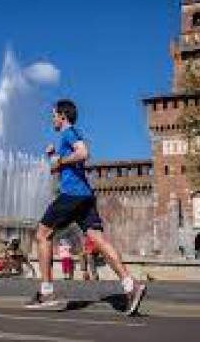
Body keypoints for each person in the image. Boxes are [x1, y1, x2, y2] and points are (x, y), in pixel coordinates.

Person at [25, 99, 146, 315]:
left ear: (62, 116)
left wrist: (60, 161)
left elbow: (83, 153)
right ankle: (131, 286)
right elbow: (62, 166)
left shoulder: (69, 133)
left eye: (53, 115)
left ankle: (46, 291)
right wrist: (54, 157)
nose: (51, 119)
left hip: (72, 195)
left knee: (42, 235)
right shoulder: (67, 138)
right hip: (85, 196)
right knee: (98, 240)